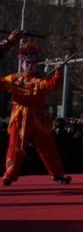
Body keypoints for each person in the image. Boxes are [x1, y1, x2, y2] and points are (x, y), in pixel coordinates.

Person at [0, 38, 72, 186]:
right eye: (27, 61)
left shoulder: (40, 80)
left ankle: (57, 174)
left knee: (47, 145)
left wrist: (58, 71)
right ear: (21, 63)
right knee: (15, 145)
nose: (30, 64)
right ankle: (9, 174)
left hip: (39, 115)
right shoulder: (14, 78)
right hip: (19, 115)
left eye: (32, 62)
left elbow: (53, 85)